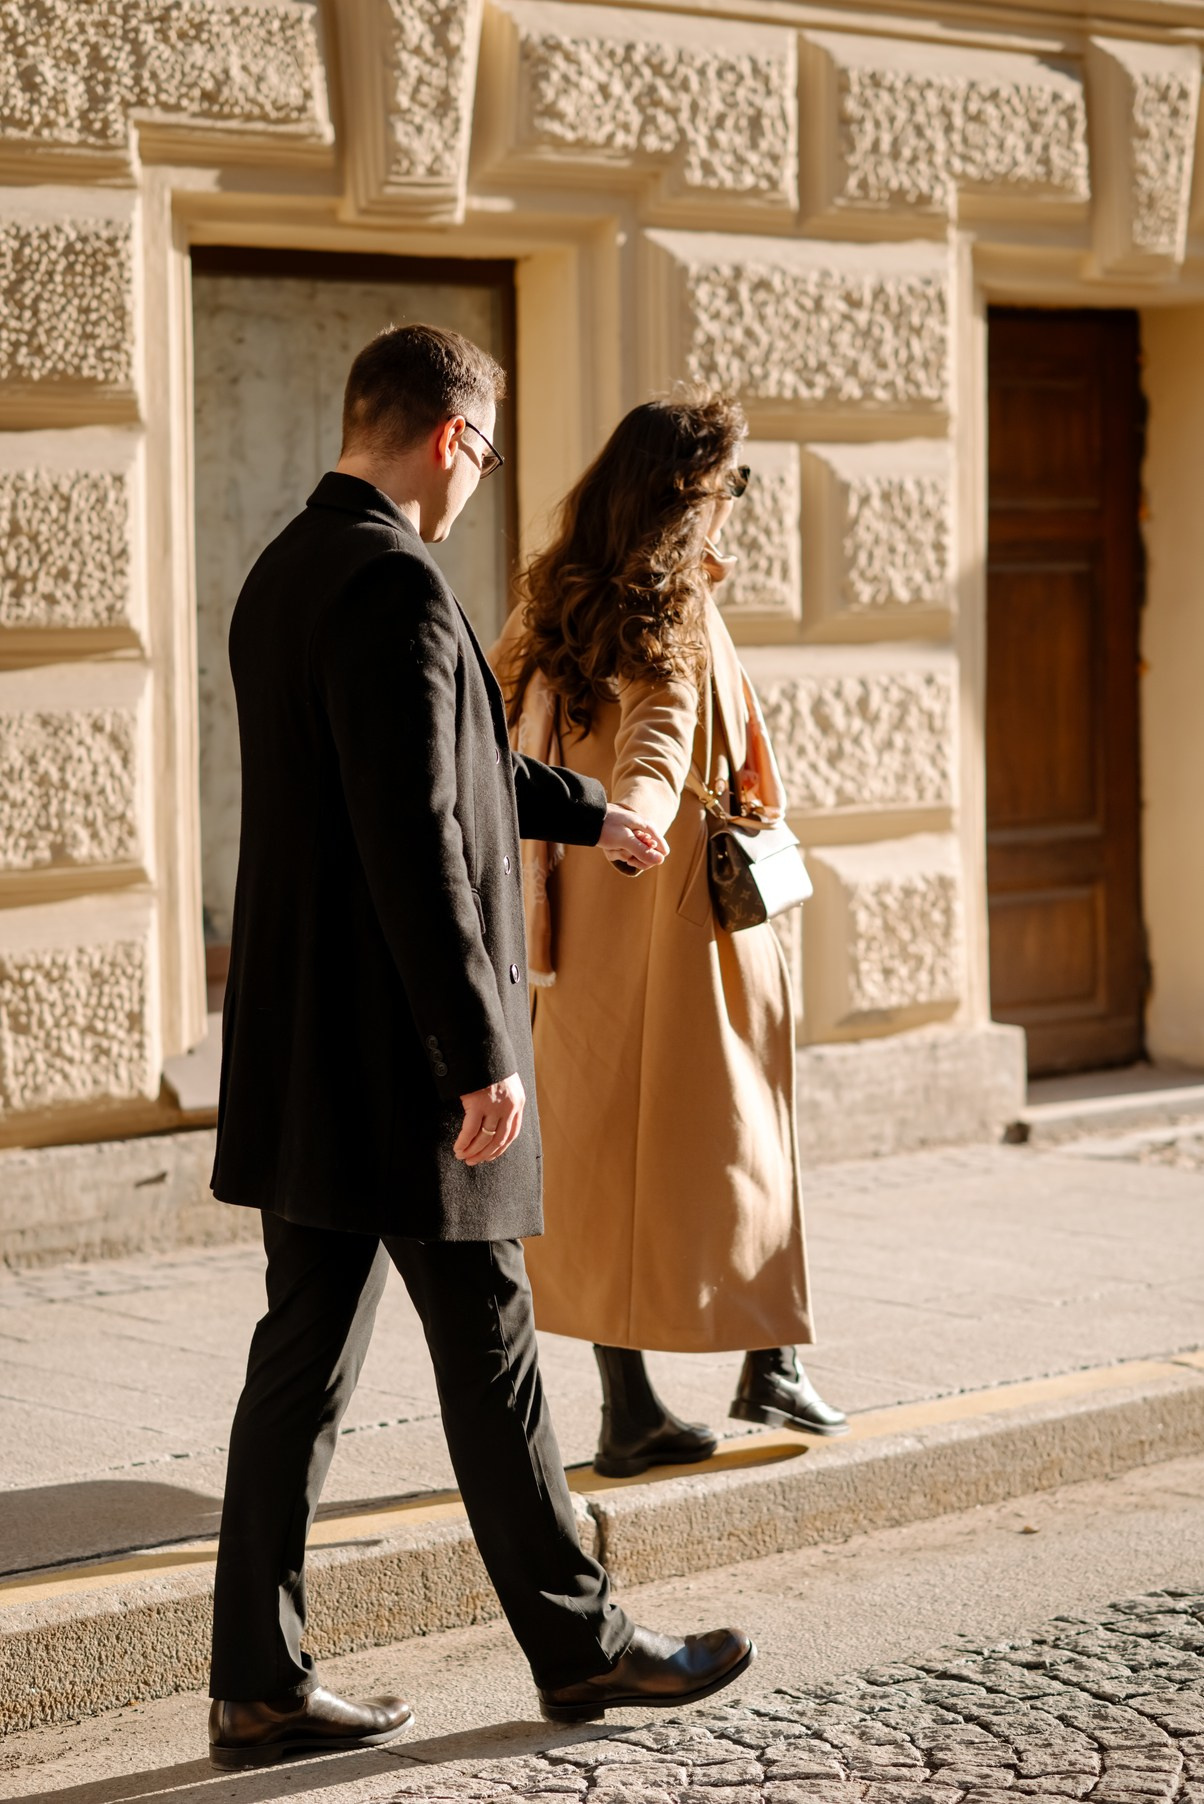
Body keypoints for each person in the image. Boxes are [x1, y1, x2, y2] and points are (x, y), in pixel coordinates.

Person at [206, 328, 754, 1771]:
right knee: (490, 1348)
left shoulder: (284, 572)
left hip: (307, 1055)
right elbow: (417, 837)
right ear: (450, 438)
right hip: (402, 1065)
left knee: (301, 1364)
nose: (481, 484)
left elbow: (448, 768)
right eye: (487, 455)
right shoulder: (392, 581)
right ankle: (582, 1648)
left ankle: (256, 1683)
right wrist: (477, 1051)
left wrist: (590, 809)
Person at [491, 392, 846, 1481]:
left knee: (603, 1150)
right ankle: (761, 1363)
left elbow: (491, 713)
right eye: (731, 483)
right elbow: (663, 725)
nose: (737, 502)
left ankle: (641, 1400)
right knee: (739, 1139)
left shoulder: (554, 596)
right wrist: (634, 813)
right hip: (678, 906)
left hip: (575, 919)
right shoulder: (671, 602)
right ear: (687, 494)